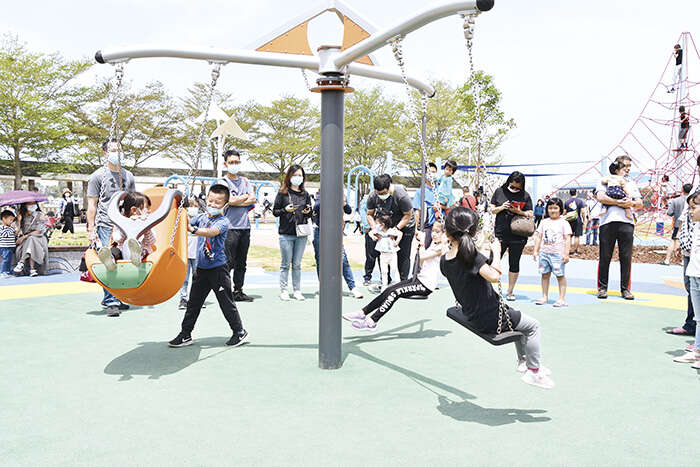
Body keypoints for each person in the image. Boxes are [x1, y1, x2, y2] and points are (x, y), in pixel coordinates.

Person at [440, 207, 554, 389]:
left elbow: (468, 273)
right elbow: (494, 276)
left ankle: (524, 361)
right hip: (491, 317)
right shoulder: (471, 257)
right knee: (533, 326)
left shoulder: (445, 260)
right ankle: (534, 371)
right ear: (473, 232)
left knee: (517, 320)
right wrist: (497, 251)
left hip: (473, 314)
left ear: (447, 232)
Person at [168, 183, 248, 348]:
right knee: (193, 303)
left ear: (225, 206)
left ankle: (239, 331)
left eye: (217, 203)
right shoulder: (202, 217)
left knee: (226, 303)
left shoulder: (223, 221)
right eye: (210, 201)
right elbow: (186, 222)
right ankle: (185, 334)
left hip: (218, 270)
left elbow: (211, 232)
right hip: (202, 270)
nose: (212, 205)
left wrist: (193, 230)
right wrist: (180, 210)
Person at [342, 222, 448, 331]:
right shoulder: (434, 244)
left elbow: (422, 257)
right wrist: (419, 235)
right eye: (433, 231)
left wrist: (421, 242)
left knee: (394, 293)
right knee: (389, 290)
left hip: (425, 286)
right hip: (418, 280)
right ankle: (362, 313)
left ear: (444, 234)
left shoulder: (441, 247)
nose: (433, 234)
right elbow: (421, 262)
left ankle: (372, 321)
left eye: (437, 232)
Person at [86, 138, 136, 316]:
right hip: (105, 224)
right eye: (113, 150)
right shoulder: (97, 176)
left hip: (123, 226)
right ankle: (111, 300)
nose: (117, 154)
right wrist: (91, 228)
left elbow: (132, 201)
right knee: (108, 261)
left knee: (123, 261)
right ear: (105, 153)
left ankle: (117, 296)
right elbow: (92, 204)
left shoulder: (128, 176)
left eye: (119, 150)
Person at [596, 155, 642, 300]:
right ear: (617, 166)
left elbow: (639, 203)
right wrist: (619, 203)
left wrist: (631, 203)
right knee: (605, 256)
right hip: (607, 222)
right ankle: (602, 288)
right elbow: (601, 197)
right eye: (625, 166)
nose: (628, 169)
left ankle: (625, 289)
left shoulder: (631, 184)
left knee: (626, 257)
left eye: (629, 166)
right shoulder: (605, 180)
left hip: (627, 223)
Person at [216, 149, 256, 302]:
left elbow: (253, 199)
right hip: (229, 228)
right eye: (231, 162)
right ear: (225, 164)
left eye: (237, 162)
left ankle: (238, 290)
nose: (234, 164)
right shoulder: (223, 182)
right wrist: (244, 197)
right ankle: (225, 292)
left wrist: (237, 200)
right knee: (228, 262)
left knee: (241, 262)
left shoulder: (245, 181)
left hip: (245, 227)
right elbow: (229, 200)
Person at [489, 171, 534, 301]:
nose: (514, 189)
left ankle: (510, 291)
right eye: (512, 186)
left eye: (517, 188)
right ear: (508, 182)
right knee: (493, 259)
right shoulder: (499, 191)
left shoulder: (525, 195)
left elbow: (530, 213)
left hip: (518, 234)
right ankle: (488, 289)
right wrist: (502, 207)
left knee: (514, 263)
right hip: (501, 233)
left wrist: (519, 211)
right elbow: (492, 209)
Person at [273, 164, 313, 301]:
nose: (298, 178)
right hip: (286, 234)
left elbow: (310, 214)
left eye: (300, 175)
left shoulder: (305, 194)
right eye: (295, 175)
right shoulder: (282, 193)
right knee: (285, 264)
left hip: (301, 234)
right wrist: (285, 210)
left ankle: (297, 290)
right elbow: (275, 212)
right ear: (289, 176)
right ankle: (284, 290)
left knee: (297, 264)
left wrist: (307, 212)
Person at [312, 194, 363, 299]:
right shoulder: (322, 195)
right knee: (320, 260)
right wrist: (328, 199)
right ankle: (323, 287)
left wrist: (343, 203)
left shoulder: (340, 194)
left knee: (343, 260)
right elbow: (316, 207)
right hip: (320, 231)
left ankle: (352, 287)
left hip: (335, 232)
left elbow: (348, 210)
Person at [365, 174, 415, 282]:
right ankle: (385, 280)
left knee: (403, 255)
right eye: (379, 193)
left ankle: (403, 281)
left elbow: (408, 215)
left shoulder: (401, 195)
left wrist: (396, 229)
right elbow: (369, 214)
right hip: (386, 225)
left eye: (383, 193)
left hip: (405, 224)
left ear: (389, 187)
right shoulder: (373, 196)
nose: (381, 196)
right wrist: (375, 229)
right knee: (383, 250)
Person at [671, 191, 700, 369]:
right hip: (694, 273)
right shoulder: (695, 227)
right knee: (699, 317)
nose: (690, 211)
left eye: (694, 207)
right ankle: (697, 351)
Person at [96, 191, 156, 272]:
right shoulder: (121, 222)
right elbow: (117, 239)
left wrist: (146, 228)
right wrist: (127, 225)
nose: (149, 211)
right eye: (147, 208)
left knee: (143, 249)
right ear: (134, 210)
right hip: (122, 252)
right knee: (114, 251)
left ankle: (136, 256)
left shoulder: (148, 223)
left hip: (142, 253)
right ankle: (110, 262)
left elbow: (151, 241)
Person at [532, 198, 571, 307]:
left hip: (557, 254)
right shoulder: (544, 222)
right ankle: (544, 297)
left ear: (560, 209)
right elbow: (539, 237)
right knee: (544, 275)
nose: (553, 210)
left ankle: (562, 299)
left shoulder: (564, 223)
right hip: (544, 253)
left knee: (560, 276)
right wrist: (535, 250)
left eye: (555, 208)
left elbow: (567, 239)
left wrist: (566, 254)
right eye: (550, 208)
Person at [13, 202, 49, 277]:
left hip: (39, 238)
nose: (32, 205)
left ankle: (22, 262)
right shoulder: (22, 215)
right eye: (30, 204)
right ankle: (32, 269)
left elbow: (38, 231)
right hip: (27, 240)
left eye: (33, 203)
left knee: (31, 238)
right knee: (31, 240)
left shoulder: (40, 215)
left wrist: (24, 237)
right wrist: (19, 221)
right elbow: (17, 232)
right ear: (25, 205)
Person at [179, 197, 203, 310]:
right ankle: (183, 299)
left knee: (197, 278)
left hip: (197, 254)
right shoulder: (183, 219)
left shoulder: (201, 220)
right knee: (184, 278)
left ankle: (197, 299)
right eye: (191, 206)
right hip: (185, 254)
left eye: (195, 206)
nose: (193, 208)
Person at [662, 184, 692, 265]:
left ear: (682, 190)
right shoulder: (693, 201)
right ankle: (683, 260)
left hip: (678, 225)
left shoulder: (675, 201)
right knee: (688, 242)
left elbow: (669, 213)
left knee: (673, 241)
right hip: (689, 226)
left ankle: (667, 260)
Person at [371, 213, 402, 291]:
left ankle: (398, 285)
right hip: (383, 254)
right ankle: (384, 285)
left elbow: (400, 233)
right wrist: (374, 236)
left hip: (392, 254)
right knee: (384, 271)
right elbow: (370, 233)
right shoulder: (378, 231)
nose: (376, 225)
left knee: (394, 269)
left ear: (383, 224)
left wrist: (397, 242)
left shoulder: (391, 231)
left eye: (378, 223)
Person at [413, 162, 439, 248]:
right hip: (427, 226)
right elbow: (417, 211)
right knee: (423, 249)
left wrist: (440, 206)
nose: (432, 174)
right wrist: (415, 229)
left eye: (434, 172)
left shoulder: (440, 190)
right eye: (429, 172)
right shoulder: (420, 192)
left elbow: (451, 205)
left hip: (440, 226)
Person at [360, 195, 379, 286]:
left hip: (383, 230)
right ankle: (367, 276)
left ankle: (386, 277)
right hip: (371, 230)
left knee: (384, 256)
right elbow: (363, 213)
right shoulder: (368, 199)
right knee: (370, 255)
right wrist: (367, 226)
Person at [564, 189, 588, 255]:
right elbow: (583, 212)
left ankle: (568, 250)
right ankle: (575, 251)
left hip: (569, 220)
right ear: (576, 193)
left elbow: (564, 212)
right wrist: (584, 219)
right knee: (577, 236)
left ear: (570, 193)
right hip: (578, 220)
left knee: (569, 236)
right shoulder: (580, 201)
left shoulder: (567, 202)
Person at [0, 210, 18, 278]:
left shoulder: (9, 228)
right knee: (5, 260)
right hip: (4, 247)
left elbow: (13, 234)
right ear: (4, 219)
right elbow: (6, 234)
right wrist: (11, 228)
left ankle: (7, 272)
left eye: (12, 220)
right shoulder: (2, 227)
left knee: (9, 260)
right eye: (10, 220)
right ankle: (2, 272)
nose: (11, 222)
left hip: (10, 246)